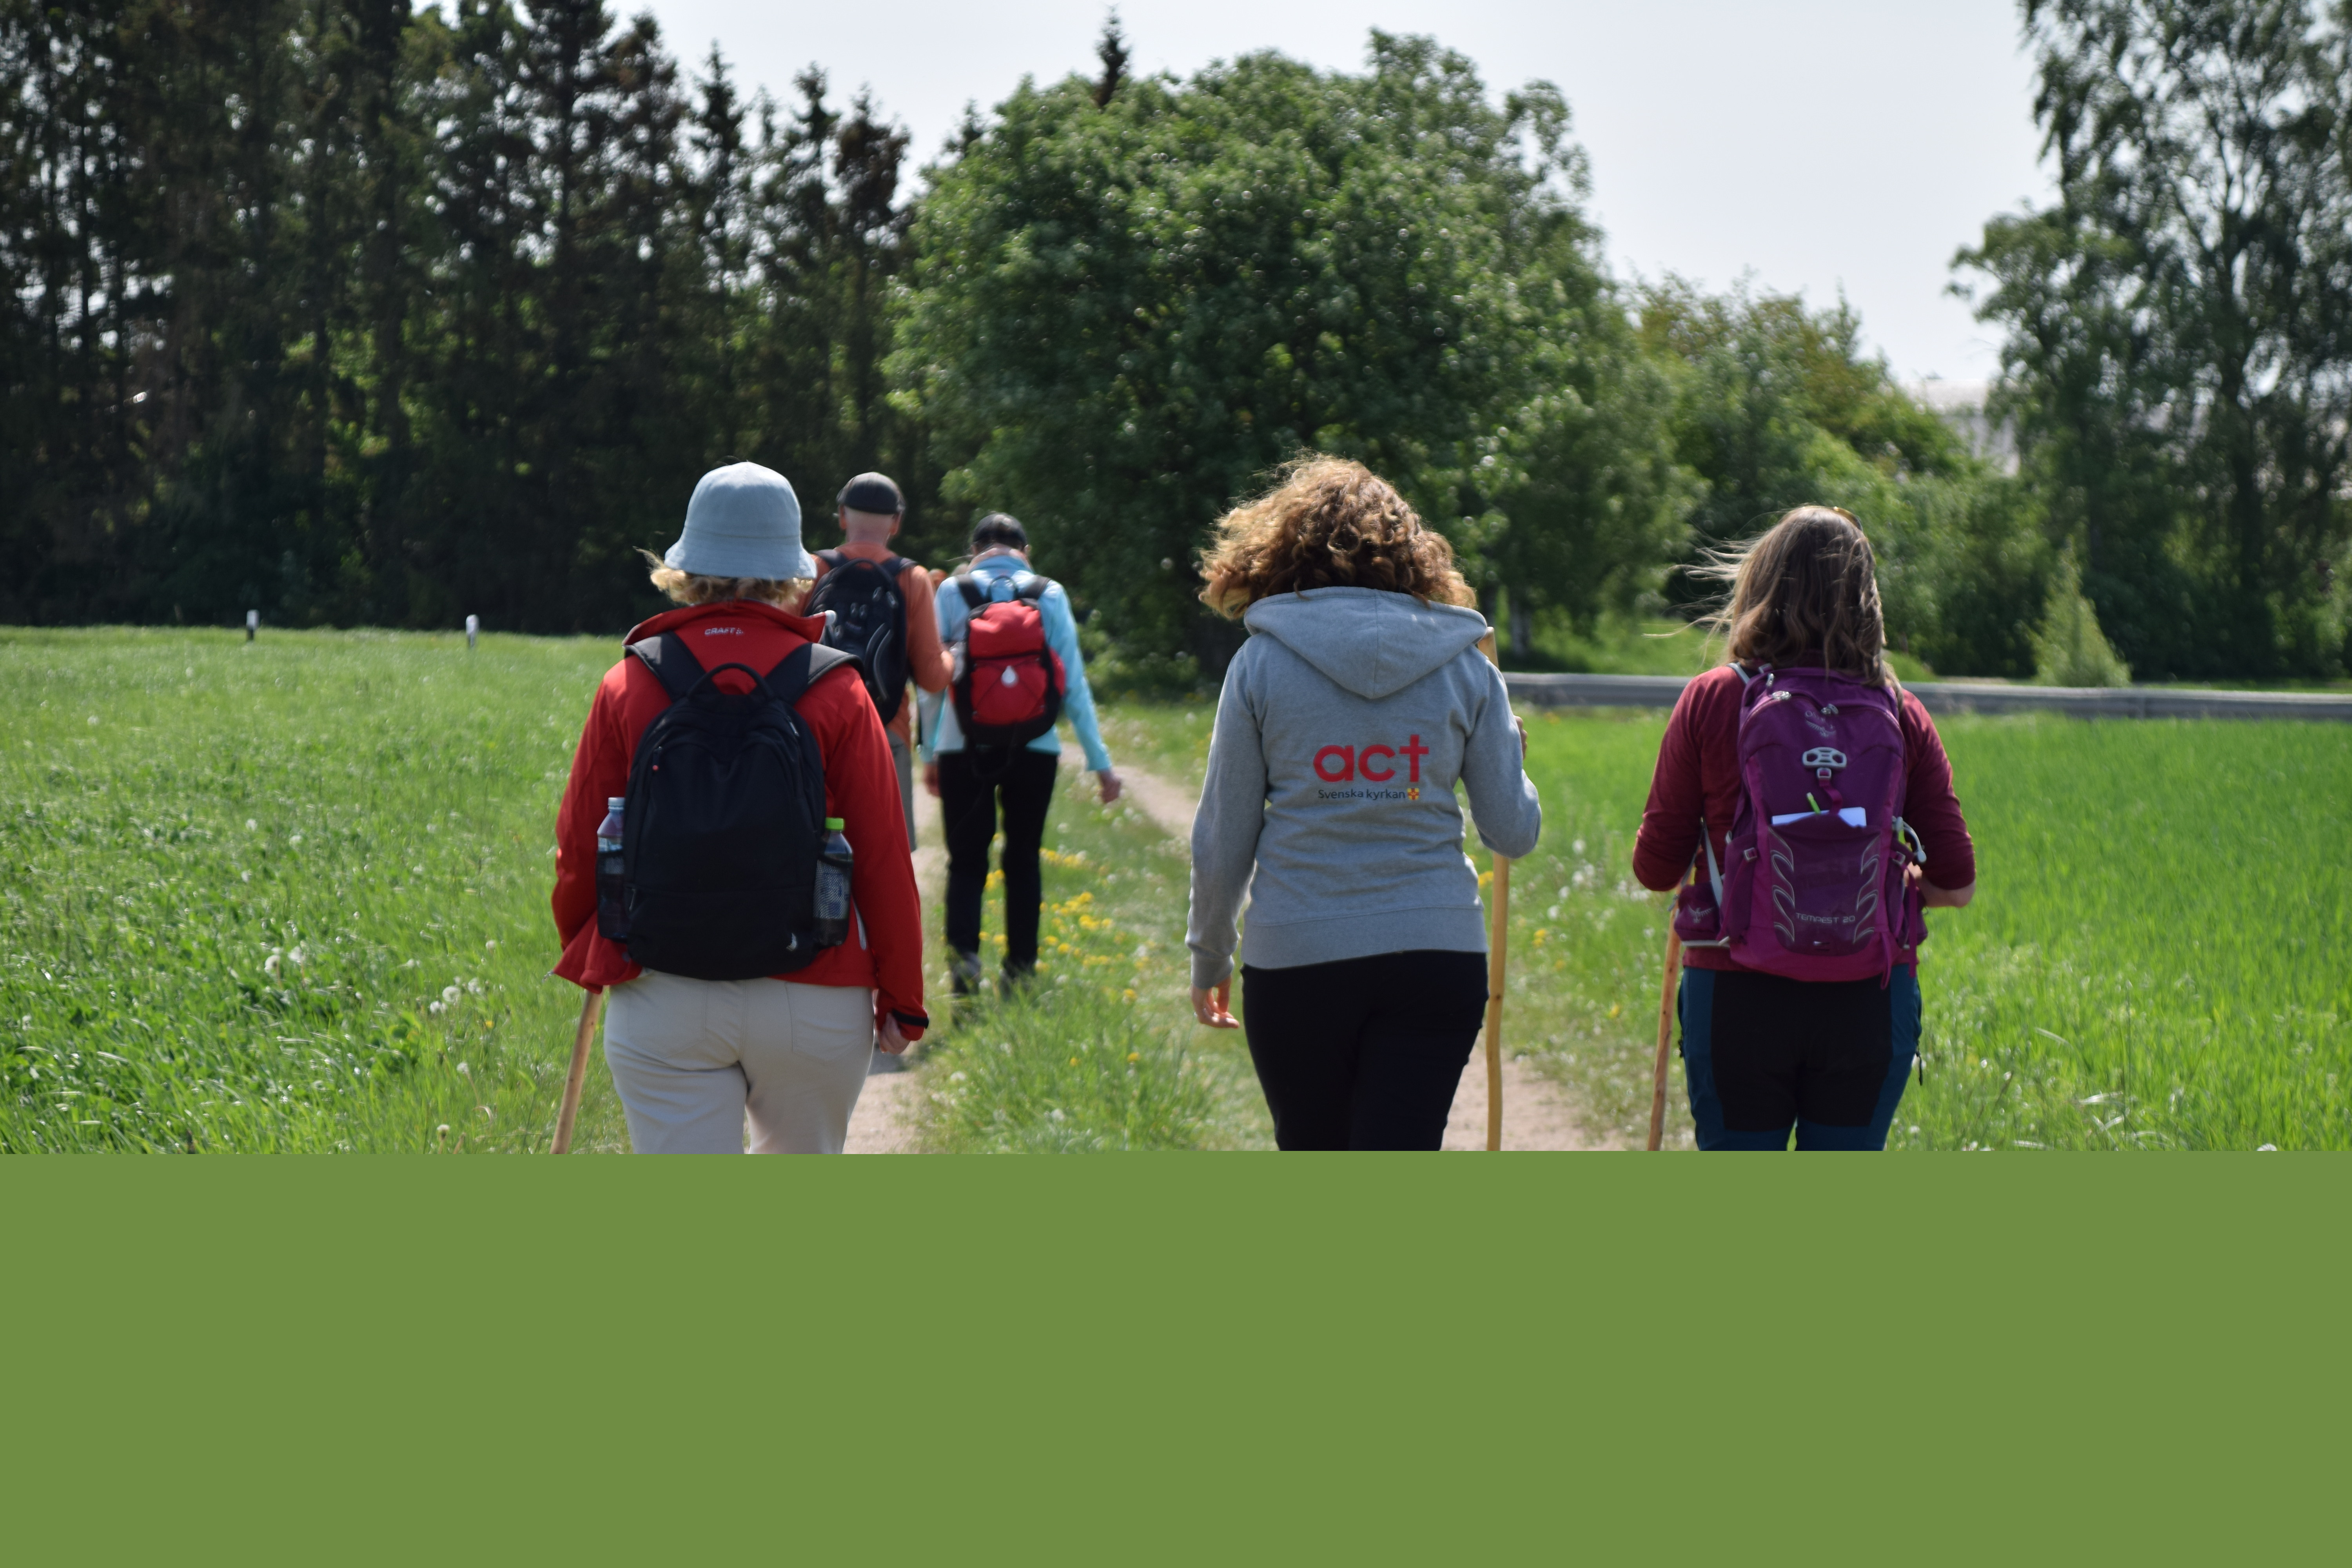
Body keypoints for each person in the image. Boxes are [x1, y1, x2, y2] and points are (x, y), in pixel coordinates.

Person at [550, 461, 927, 1152]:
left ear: (685, 565)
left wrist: (594, 950)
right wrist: (903, 996)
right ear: (795, 569)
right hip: (816, 993)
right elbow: (882, 860)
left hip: (664, 988)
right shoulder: (839, 690)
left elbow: (581, 844)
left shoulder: (629, 683)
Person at [1185, 457, 1540, 1151]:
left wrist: (1210, 956)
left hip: (1298, 958)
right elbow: (1513, 831)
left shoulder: (1260, 663)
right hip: (1436, 956)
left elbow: (1224, 835)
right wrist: (1512, 758)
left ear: (1282, 550)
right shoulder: (1467, 662)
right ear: (1413, 554)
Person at [1632, 505, 1976, 1152]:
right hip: (1869, 999)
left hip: (1734, 993)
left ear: (1760, 588)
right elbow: (1957, 884)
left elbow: (1654, 870)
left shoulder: (1712, 699)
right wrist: (1881, 876)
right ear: (1866, 601)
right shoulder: (1901, 712)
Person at [924, 512, 1122, 997]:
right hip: (1036, 747)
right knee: (1024, 859)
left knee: (966, 861)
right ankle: (1021, 973)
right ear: (1024, 551)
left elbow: (932, 684)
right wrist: (1101, 764)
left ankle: (965, 969)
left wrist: (929, 752)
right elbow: (1072, 685)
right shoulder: (1047, 593)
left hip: (962, 746)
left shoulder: (951, 592)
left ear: (975, 551)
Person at [803, 472, 953, 846]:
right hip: (886, 733)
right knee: (886, 859)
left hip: (813, 735)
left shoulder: (811, 570)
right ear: (897, 523)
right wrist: (952, 657)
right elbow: (933, 678)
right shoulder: (913, 578)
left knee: (809, 851)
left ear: (842, 516)